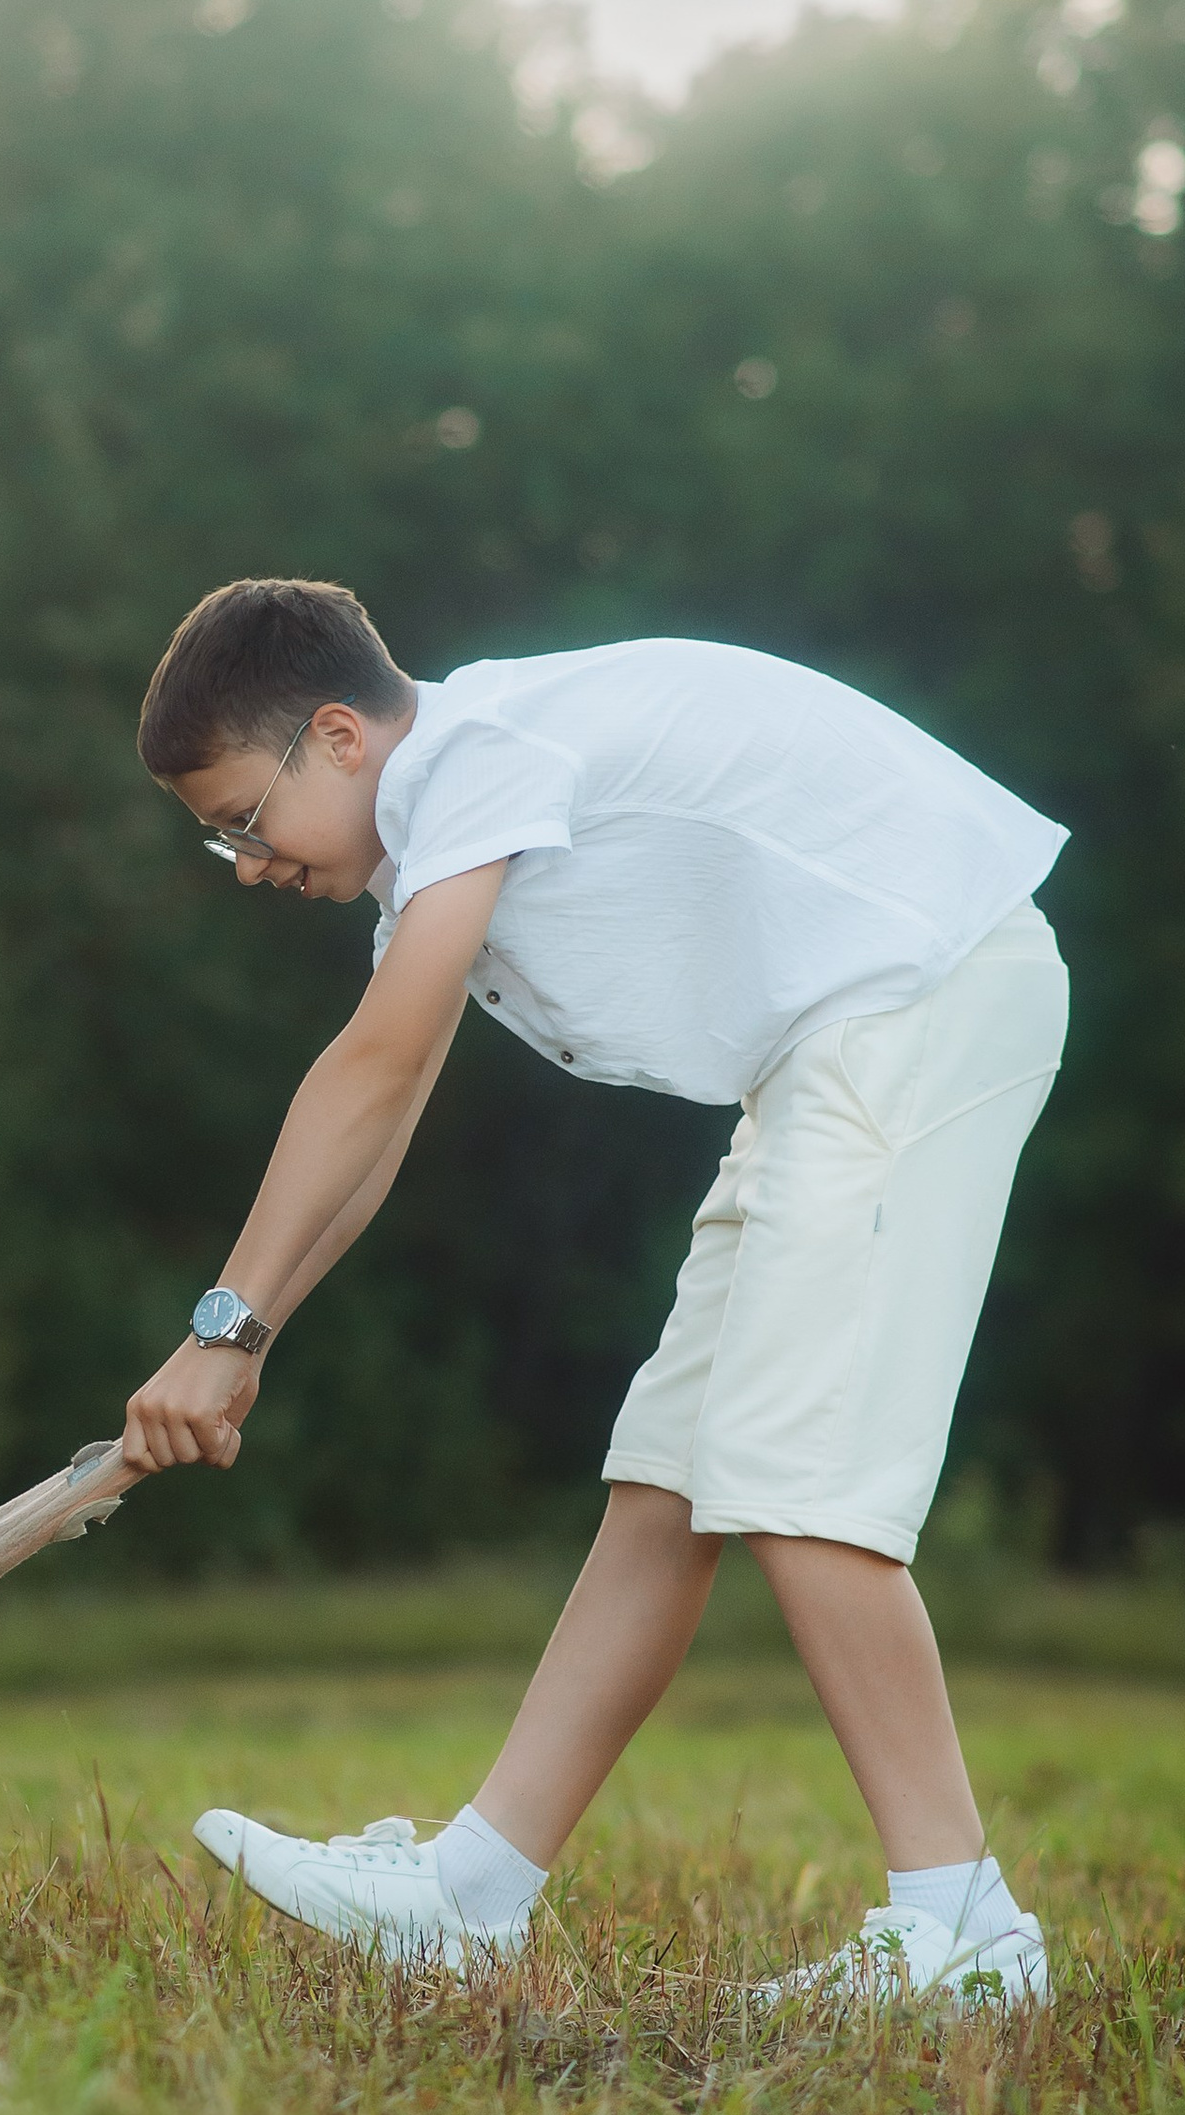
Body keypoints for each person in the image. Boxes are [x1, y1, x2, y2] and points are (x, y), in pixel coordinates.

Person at [119, 576, 1070, 2006]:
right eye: (223, 841)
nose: (247, 863)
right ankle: (470, 1891)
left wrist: (222, 1324)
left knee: (788, 1463)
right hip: (831, 1050)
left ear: (339, 733)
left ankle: (967, 1926)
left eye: (246, 819)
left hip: (918, 996)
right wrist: (250, 1337)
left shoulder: (481, 755)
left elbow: (369, 1067)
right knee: (671, 1480)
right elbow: (382, 1128)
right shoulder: (445, 823)